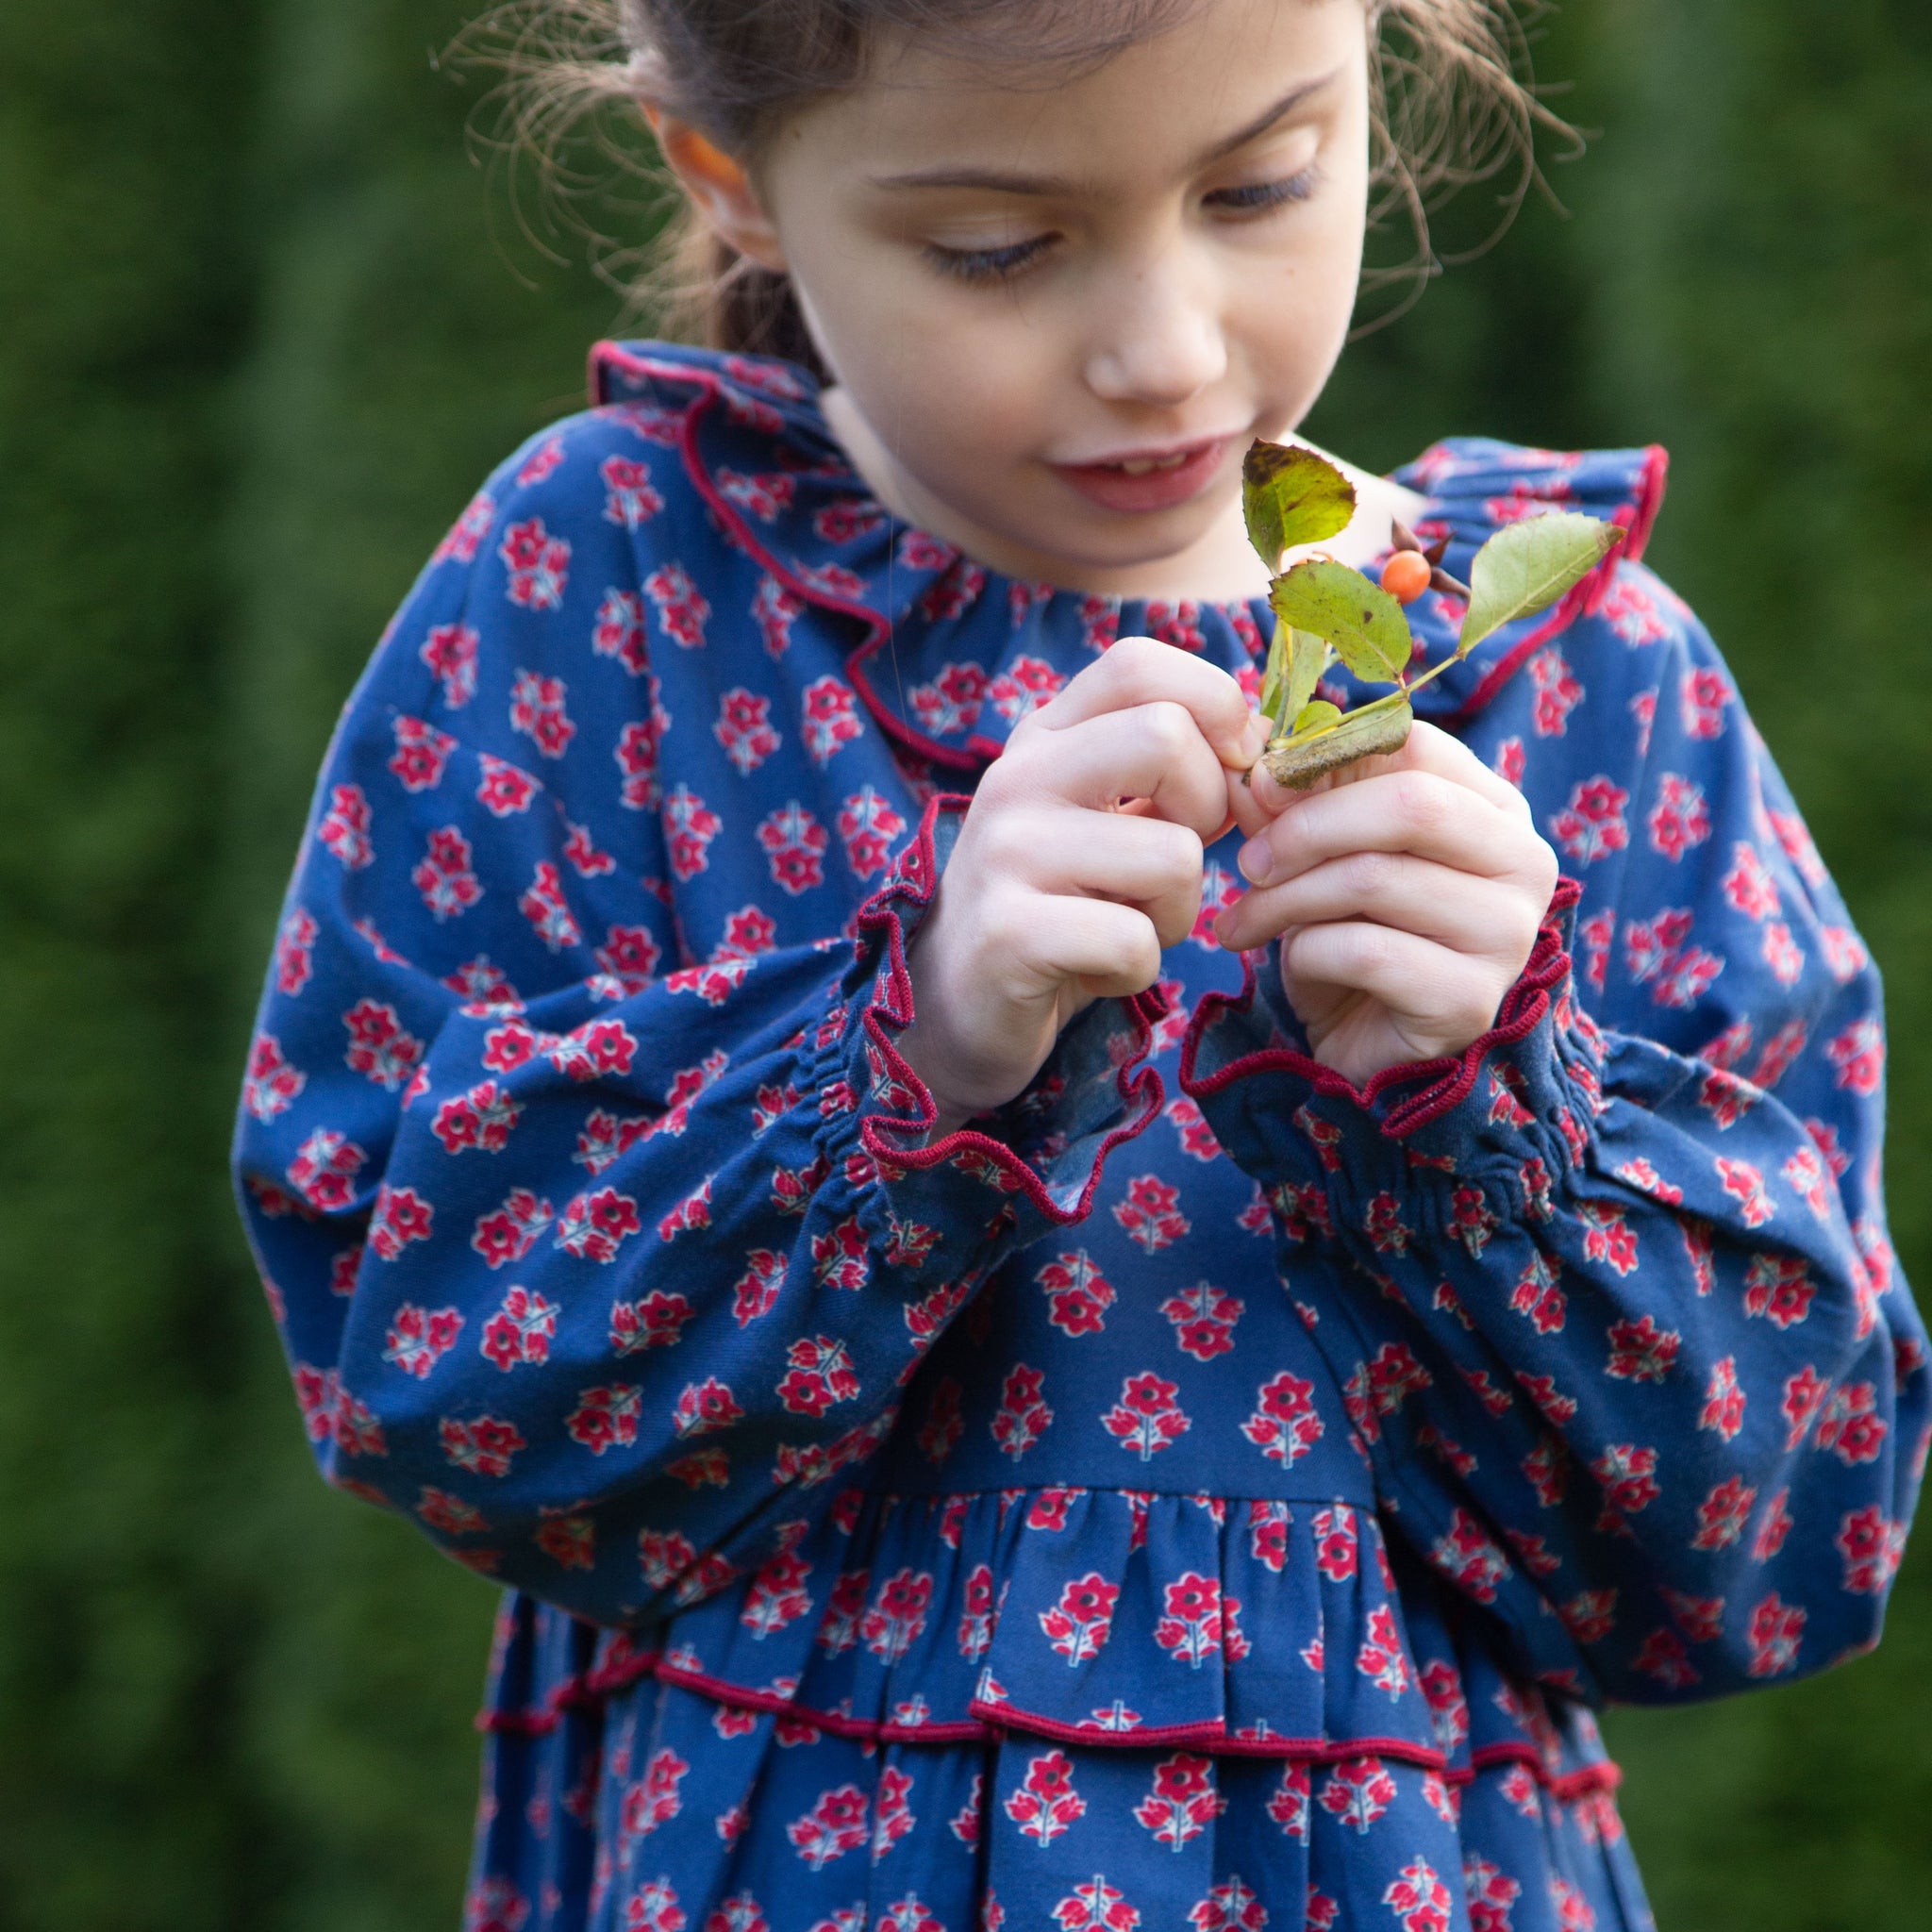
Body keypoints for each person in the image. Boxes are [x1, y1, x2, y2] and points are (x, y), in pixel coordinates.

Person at [232, 2, 1927, 1927]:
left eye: (1263, 181)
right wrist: (917, 1040)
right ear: (735, 183)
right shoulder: (607, 590)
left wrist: (1479, 1121)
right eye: (998, 247)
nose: (1166, 348)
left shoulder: (1580, 682)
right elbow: (430, 1372)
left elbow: (1777, 1544)